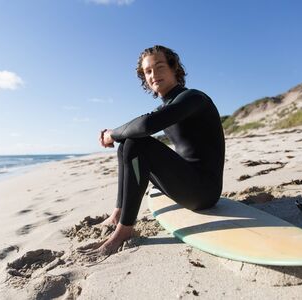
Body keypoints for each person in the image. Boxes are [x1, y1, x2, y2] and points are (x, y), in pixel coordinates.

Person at [79, 45, 225, 258]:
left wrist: (111, 133)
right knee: (128, 144)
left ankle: (123, 232)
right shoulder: (165, 108)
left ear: (174, 68)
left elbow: (146, 125)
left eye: (159, 67)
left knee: (137, 143)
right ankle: (118, 213)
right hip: (186, 184)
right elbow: (140, 126)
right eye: (148, 71)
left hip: (204, 192)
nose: (154, 75)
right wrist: (117, 136)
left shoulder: (193, 98)